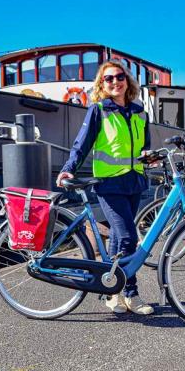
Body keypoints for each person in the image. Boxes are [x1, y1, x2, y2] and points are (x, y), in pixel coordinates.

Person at [56, 60, 153, 316]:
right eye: (108, 79)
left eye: (119, 77)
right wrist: (69, 167)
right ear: (102, 84)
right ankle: (130, 293)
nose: (115, 82)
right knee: (129, 237)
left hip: (134, 180)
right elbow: (82, 142)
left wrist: (151, 157)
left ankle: (112, 292)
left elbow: (145, 146)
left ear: (127, 80)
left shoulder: (140, 111)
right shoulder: (99, 110)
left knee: (119, 239)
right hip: (109, 183)